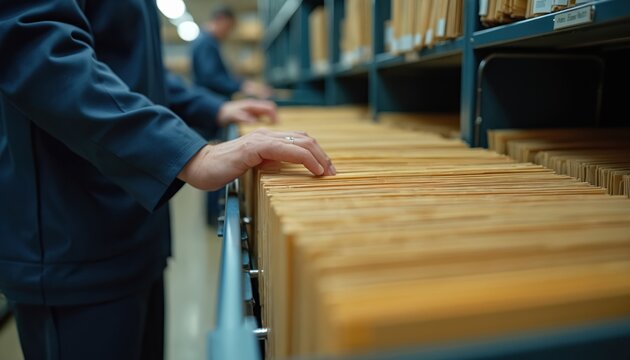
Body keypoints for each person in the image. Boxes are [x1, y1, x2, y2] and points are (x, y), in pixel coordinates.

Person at [0, 1, 335, 360]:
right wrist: (190, 152)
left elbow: (131, 68)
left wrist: (211, 108)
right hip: (72, 241)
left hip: (134, 228)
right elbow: (36, 51)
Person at [192, 5, 272, 99]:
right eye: (228, 27)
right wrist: (242, 86)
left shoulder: (208, 42)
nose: (228, 32)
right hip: (211, 99)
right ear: (221, 19)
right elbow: (211, 77)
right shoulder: (206, 43)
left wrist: (242, 84)